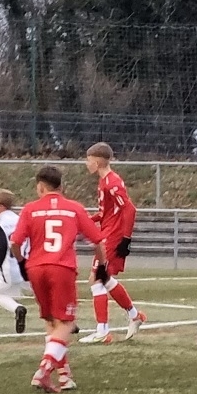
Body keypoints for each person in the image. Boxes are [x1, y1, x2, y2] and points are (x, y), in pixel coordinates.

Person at [10, 166, 108, 393]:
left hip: (36, 267)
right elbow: (98, 241)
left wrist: (22, 262)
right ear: (61, 186)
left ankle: (64, 376)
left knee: (52, 322)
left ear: (40, 187)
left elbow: (15, 243)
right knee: (66, 322)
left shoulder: (30, 209)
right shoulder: (74, 208)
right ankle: (44, 370)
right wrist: (102, 266)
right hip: (62, 268)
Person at [80, 143, 147, 344]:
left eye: (89, 160)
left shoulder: (112, 183)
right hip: (107, 234)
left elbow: (129, 209)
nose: (87, 164)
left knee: (96, 279)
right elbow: (104, 213)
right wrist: (83, 222)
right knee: (104, 278)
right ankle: (135, 315)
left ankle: (102, 331)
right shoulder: (104, 182)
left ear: (98, 161)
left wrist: (126, 239)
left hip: (112, 237)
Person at [0, 189, 30, 334]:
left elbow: (3, 247)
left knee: (0, 295)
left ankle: (18, 309)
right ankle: (64, 319)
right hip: (26, 264)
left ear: (1, 206)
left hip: (9, 266)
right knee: (42, 293)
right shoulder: (20, 219)